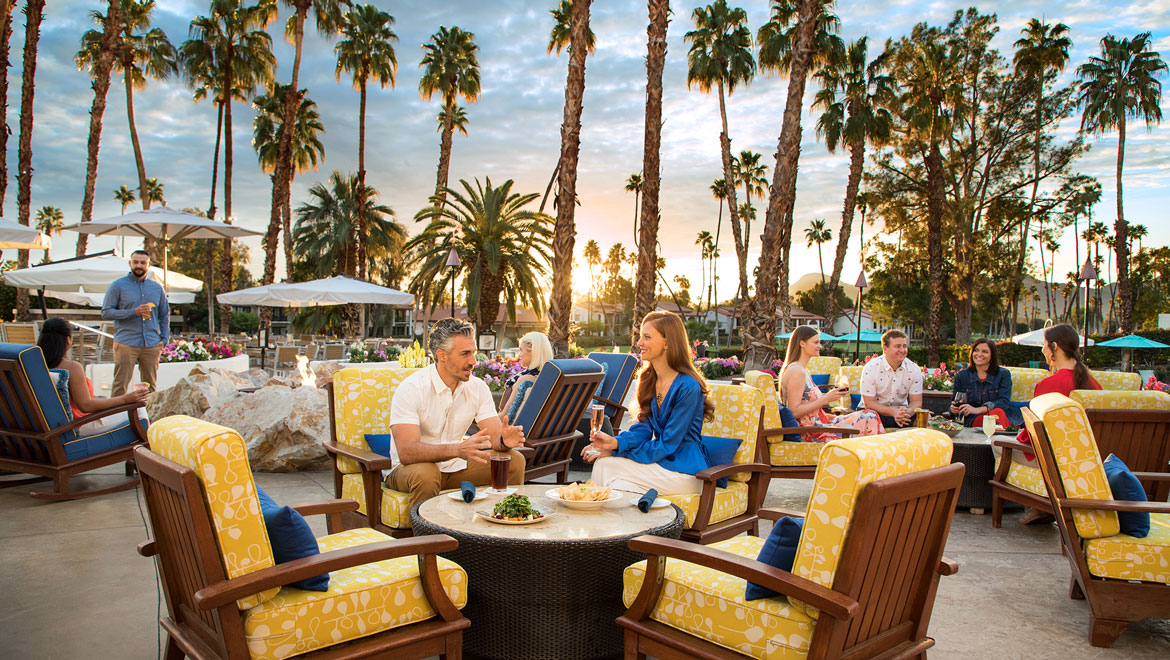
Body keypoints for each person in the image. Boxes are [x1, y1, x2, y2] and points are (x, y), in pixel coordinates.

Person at [386, 318, 527, 507]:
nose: (473, 361)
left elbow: (494, 436)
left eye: (474, 353)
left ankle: (503, 526)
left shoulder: (477, 388)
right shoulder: (412, 389)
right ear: (442, 355)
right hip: (409, 470)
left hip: (456, 467)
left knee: (513, 461)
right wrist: (457, 449)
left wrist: (503, 441)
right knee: (427, 474)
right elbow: (406, 452)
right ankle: (426, 536)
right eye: (465, 354)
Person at [583, 311, 715, 496]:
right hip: (660, 465)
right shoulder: (648, 380)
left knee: (606, 467)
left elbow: (668, 444)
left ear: (668, 342)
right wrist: (615, 442)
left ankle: (601, 519)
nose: (639, 343)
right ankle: (630, 521)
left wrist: (616, 451)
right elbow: (642, 429)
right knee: (619, 486)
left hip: (685, 472)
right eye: (640, 337)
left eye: (647, 337)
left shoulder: (688, 388)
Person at [1012, 324, 1101, 525]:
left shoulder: (1048, 385)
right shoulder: (1093, 385)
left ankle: (1039, 505)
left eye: (1044, 345)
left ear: (1055, 347)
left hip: (1055, 464)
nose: (1043, 350)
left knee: (997, 445)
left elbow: (1031, 435)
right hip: (1088, 463)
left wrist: (1017, 437)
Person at [37, 317, 149, 432]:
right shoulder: (71, 368)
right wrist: (125, 399)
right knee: (139, 410)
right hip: (78, 426)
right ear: (68, 340)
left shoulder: (35, 366)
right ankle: (143, 449)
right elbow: (86, 406)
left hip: (50, 428)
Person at [779, 326, 884, 440]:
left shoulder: (804, 371)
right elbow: (794, 411)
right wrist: (826, 399)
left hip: (819, 424)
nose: (820, 346)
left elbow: (810, 411)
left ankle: (871, 456)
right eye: (816, 342)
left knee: (868, 414)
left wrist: (834, 416)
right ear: (802, 343)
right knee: (869, 416)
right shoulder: (796, 372)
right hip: (811, 432)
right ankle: (876, 456)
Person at [101, 250, 169, 397]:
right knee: (120, 385)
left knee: (150, 387)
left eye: (143, 263)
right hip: (126, 342)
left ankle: (147, 417)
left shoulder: (157, 288)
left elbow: (164, 315)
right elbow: (106, 312)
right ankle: (115, 418)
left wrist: (164, 339)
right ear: (130, 263)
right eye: (136, 262)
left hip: (151, 343)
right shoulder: (117, 286)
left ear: (149, 264)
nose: (139, 265)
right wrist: (133, 312)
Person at [859, 329, 923, 429]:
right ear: (885, 348)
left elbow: (917, 402)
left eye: (904, 346)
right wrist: (894, 413)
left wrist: (907, 413)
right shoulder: (871, 368)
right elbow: (869, 403)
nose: (902, 350)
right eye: (898, 346)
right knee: (868, 417)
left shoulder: (914, 369)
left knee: (925, 418)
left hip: (902, 414)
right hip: (874, 412)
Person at [950, 338, 1022, 428]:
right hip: (974, 419)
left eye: (984, 351)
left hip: (1000, 416)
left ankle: (1000, 439)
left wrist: (978, 409)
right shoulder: (962, 376)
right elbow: (955, 402)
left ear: (992, 356)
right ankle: (1000, 440)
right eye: (976, 350)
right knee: (995, 417)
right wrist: (953, 409)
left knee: (997, 413)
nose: (979, 354)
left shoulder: (1003, 374)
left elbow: (1004, 402)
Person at [498, 331, 554, 422]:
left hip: (509, 430)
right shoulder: (546, 378)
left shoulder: (525, 380)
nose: (519, 355)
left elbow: (504, 416)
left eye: (521, 350)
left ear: (534, 352)